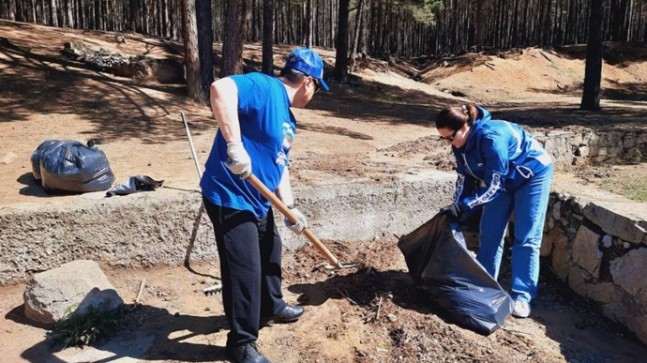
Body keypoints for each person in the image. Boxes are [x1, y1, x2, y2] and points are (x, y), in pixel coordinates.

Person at [200, 48, 329, 363]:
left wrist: (290, 206)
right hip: (229, 196)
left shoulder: (288, 118)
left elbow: (279, 164)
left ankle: (271, 305)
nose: (315, 96)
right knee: (244, 271)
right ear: (308, 82)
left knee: (271, 249)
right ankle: (241, 342)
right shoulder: (264, 87)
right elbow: (221, 89)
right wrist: (233, 146)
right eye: (317, 89)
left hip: (258, 200)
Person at [436, 104, 553, 319]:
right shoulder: (458, 144)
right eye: (444, 139)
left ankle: (522, 296)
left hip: (532, 175)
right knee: (490, 231)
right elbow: (465, 178)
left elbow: (494, 186)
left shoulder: (492, 139)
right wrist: (457, 205)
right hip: (504, 178)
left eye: (450, 138)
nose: (448, 144)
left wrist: (468, 205)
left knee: (526, 237)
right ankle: (485, 283)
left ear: (463, 127)